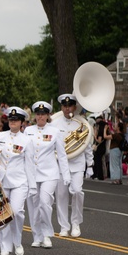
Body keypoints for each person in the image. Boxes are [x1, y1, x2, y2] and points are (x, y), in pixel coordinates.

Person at [27, 101, 70, 248]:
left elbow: (62, 154)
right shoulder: (28, 131)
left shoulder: (54, 131)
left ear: (48, 115)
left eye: (43, 114)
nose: (40, 117)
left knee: (45, 202)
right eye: (38, 114)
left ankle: (46, 234)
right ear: (35, 116)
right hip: (32, 173)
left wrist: (66, 174)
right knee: (34, 205)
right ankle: (36, 235)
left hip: (50, 173)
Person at [0, 107, 35, 255]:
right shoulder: (0, 136)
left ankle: (17, 242)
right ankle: (5, 246)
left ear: (22, 123)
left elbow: (29, 164)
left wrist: (32, 186)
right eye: (11, 120)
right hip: (2, 180)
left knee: (17, 212)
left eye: (16, 120)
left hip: (19, 181)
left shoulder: (26, 140)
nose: (13, 122)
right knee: (3, 214)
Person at [53, 94, 93, 239]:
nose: (67, 108)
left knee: (77, 191)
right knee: (61, 195)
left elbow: (87, 144)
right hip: (60, 165)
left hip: (77, 164)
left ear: (75, 107)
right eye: (64, 106)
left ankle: (76, 223)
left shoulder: (82, 123)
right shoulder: (55, 124)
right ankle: (64, 226)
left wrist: (90, 164)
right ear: (61, 107)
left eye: (70, 106)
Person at [106, 120, 124, 185]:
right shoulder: (121, 134)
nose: (114, 127)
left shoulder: (116, 135)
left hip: (114, 149)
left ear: (118, 127)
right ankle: (119, 178)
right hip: (119, 150)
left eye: (116, 126)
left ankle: (116, 179)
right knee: (119, 164)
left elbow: (105, 136)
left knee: (114, 165)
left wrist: (105, 130)